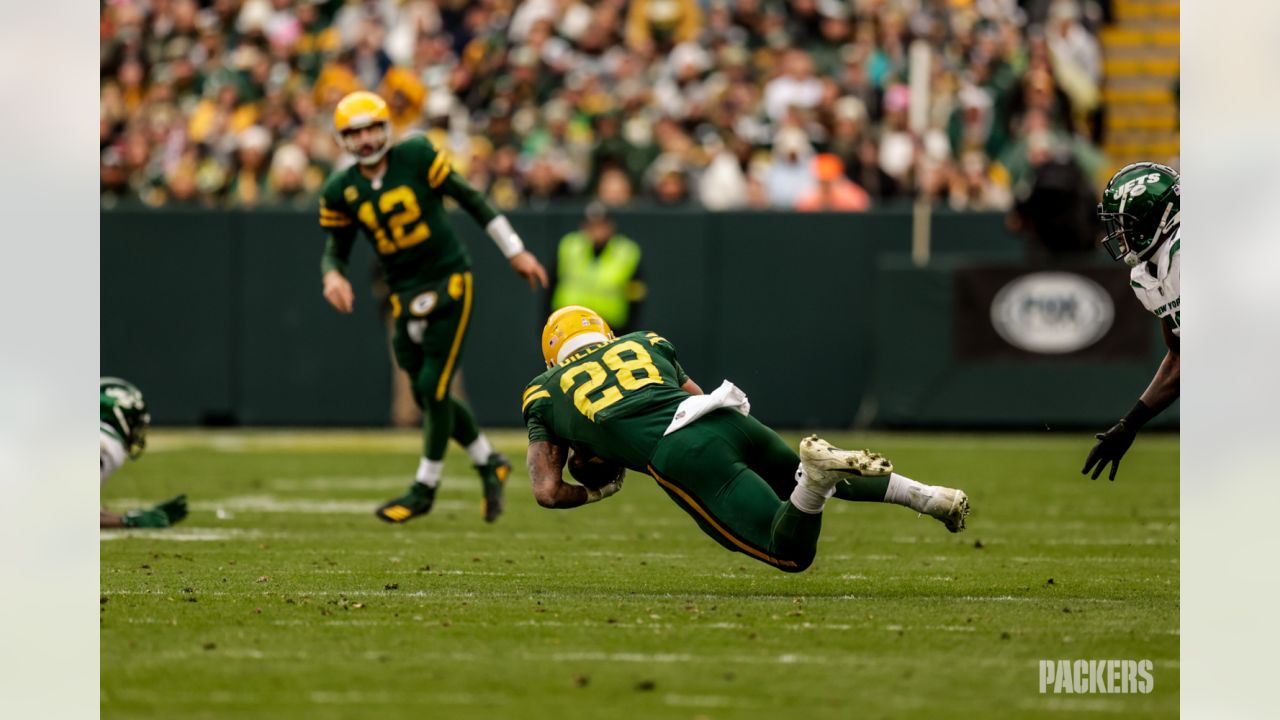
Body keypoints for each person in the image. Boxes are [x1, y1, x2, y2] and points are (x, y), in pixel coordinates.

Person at [521, 307, 971, 573]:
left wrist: (597, 488)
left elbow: (546, 490)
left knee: (788, 551)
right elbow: (693, 397)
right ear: (605, 333)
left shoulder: (544, 390)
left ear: (551, 357)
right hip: (723, 417)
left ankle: (814, 481)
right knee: (791, 479)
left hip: (680, 452)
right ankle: (929, 497)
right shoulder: (645, 340)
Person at [318, 91, 549, 524]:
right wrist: (332, 274)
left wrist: (514, 250)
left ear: (387, 127)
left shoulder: (416, 154)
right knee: (428, 392)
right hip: (401, 293)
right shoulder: (341, 188)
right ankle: (488, 462)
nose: (367, 139)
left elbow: (472, 199)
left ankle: (425, 486)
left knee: (434, 385)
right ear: (341, 139)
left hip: (448, 279)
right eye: (355, 131)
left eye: (372, 128)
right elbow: (337, 247)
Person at [1082, 162, 1180, 481]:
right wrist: (1130, 423)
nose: (1118, 233)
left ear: (1156, 217)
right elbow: (1181, 356)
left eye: (1125, 222)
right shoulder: (1146, 276)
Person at [100, 378, 188, 529]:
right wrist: (127, 522)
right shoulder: (105, 445)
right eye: (133, 422)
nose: (136, 432)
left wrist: (131, 517)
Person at [549, 202, 645, 334]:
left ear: (611, 226)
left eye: (601, 225)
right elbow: (551, 283)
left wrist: (629, 330)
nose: (597, 230)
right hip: (569, 324)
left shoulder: (626, 252)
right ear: (583, 226)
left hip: (611, 325)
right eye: (591, 225)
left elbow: (636, 293)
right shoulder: (570, 245)